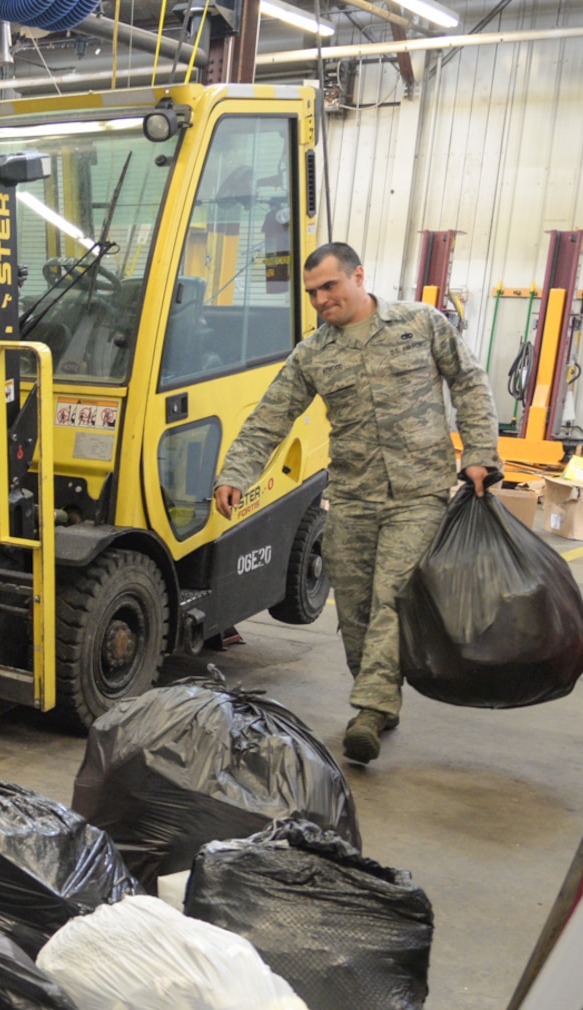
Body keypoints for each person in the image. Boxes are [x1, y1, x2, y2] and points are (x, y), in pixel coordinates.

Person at [212, 242, 497, 764]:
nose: (321, 300)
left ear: (358, 276)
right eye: (313, 292)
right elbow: (269, 419)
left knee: (392, 596)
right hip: (351, 497)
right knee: (358, 613)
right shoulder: (314, 354)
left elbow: (468, 381)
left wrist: (479, 451)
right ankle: (382, 700)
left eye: (330, 287)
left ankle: (368, 709)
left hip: (420, 494)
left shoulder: (420, 324)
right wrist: (235, 474)